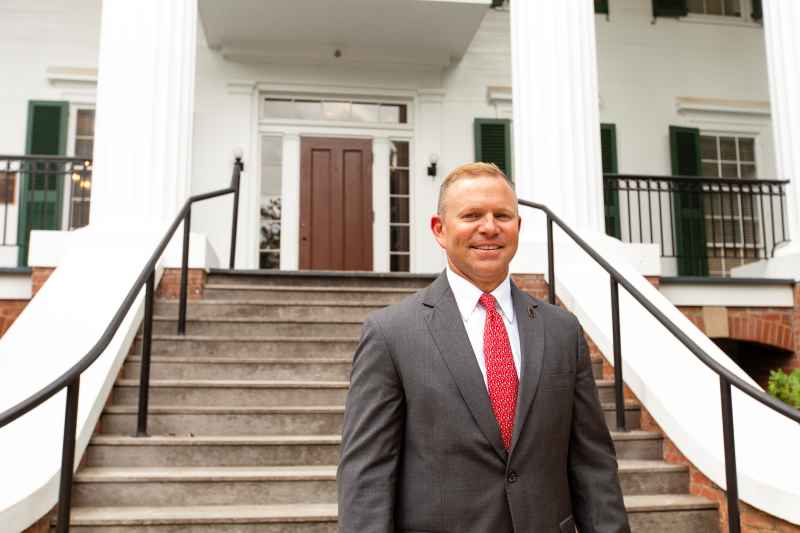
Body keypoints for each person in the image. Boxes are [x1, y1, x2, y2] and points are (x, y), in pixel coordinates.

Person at [337, 162, 630, 533]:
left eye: (502, 215)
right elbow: (366, 476)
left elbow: (593, 465)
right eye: (472, 215)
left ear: (518, 228)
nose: (489, 227)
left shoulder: (562, 331)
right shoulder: (390, 334)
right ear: (440, 230)